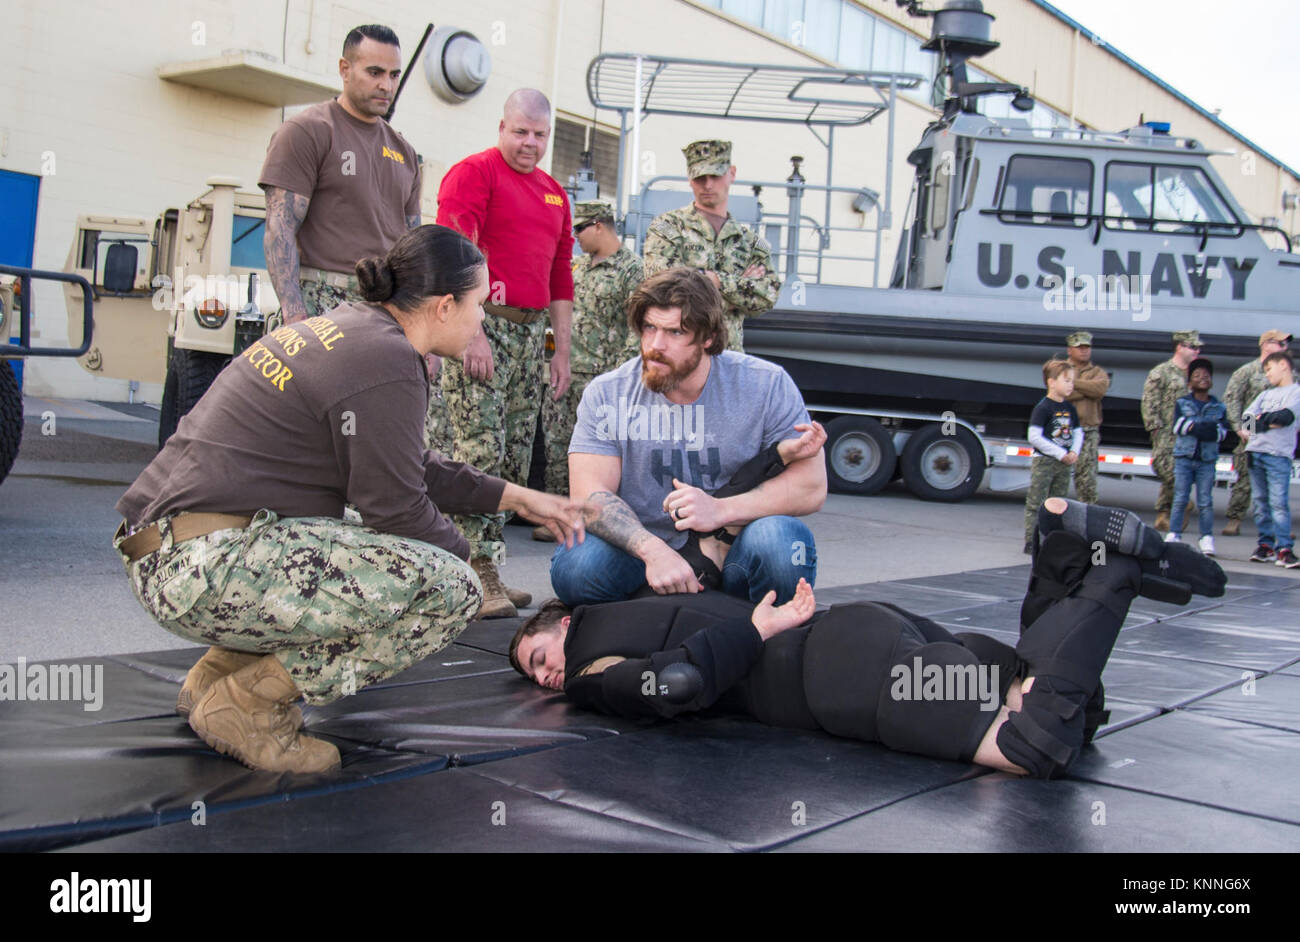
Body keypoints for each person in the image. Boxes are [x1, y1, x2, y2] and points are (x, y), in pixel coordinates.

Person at [112, 225, 585, 774]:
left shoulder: (358, 333)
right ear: (443, 306)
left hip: (171, 551)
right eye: (479, 304)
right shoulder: (388, 362)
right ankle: (251, 705)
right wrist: (467, 561)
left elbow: (409, 466)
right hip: (203, 566)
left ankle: (220, 676)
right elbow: (398, 509)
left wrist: (520, 498)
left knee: (368, 552)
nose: (483, 319)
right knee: (449, 589)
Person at [514, 498, 1226, 780]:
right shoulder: (658, 595)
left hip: (840, 678)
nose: (547, 678)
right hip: (875, 640)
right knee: (1058, 707)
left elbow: (674, 684)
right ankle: (1064, 548)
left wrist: (754, 630)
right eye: (537, 675)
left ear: (567, 622)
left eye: (539, 658)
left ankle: (1114, 571)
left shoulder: (588, 662)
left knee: (1031, 747)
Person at [550, 267, 825, 607]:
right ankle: (655, 613)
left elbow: (810, 487)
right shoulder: (608, 393)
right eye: (649, 327)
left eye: (675, 332)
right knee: (576, 567)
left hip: (732, 548)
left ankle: (757, 634)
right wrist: (652, 551)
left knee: (782, 544)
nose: (655, 345)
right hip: (641, 550)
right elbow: (590, 496)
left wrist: (720, 510)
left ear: (707, 337)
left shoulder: (765, 385)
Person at [258, 24, 452, 453]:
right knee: (313, 447)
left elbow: (413, 248)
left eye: (395, 75)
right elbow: (280, 228)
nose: (386, 85)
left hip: (386, 313)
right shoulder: (307, 132)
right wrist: (295, 318)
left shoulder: (403, 151)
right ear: (345, 69)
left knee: (387, 444)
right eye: (374, 72)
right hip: (322, 306)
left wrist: (426, 334)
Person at [436, 88, 576, 617]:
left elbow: (560, 277)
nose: (530, 143)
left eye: (540, 135)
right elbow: (456, 254)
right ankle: (470, 567)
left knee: (515, 460)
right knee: (480, 450)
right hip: (481, 326)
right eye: (520, 132)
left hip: (528, 334)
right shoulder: (473, 173)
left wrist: (559, 352)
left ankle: (487, 564)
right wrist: (471, 334)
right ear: (501, 127)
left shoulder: (554, 195)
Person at [534, 199, 644, 541]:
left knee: (602, 451)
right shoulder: (576, 268)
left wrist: (623, 376)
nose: (575, 237)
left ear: (599, 225)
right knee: (557, 446)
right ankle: (560, 518)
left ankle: (599, 520)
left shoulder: (631, 269)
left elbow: (637, 327)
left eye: (579, 229)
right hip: (565, 369)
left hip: (604, 377)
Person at [642, 140, 782, 352]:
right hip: (678, 358)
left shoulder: (751, 243)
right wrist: (737, 293)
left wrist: (717, 281)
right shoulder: (667, 228)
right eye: (700, 178)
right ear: (690, 178)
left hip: (729, 360)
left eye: (715, 176)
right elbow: (662, 290)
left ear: (731, 174)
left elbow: (767, 295)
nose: (707, 185)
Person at [1222, 330, 1293, 536]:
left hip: (1278, 437)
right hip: (1252, 435)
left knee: (1277, 487)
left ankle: (1279, 527)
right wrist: (1244, 430)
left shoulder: (1288, 374)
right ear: (1266, 345)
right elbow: (1234, 399)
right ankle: (1235, 518)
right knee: (1244, 479)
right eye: (1280, 344)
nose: (1285, 348)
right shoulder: (1247, 371)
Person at [1240, 350, 1300, 567]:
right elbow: (1246, 423)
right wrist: (1266, 422)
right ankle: (1265, 545)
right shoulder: (1264, 395)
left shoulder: (1295, 393)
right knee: (1260, 502)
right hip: (1256, 453)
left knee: (1278, 502)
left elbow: (1284, 418)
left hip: (1277, 455)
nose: (1267, 375)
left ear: (1283, 365)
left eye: (1269, 369)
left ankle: (1284, 547)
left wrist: (1260, 420)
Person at [1141, 330, 1203, 531]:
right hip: (1167, 432)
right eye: (1193, 347)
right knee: (1165, 468)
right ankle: (1183, 501)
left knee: (1180, 470)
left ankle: (1163, 514)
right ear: (1179, 347)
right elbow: (1149, 401)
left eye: (1198, 348)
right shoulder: (1162, 372)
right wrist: (1154, 427)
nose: (1197, 351)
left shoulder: (1195, 375)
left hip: (1190, 433)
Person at [1167, 358, 1228, 555]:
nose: (1202, 379)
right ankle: (1174, 533)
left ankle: (1206, 537)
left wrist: (1196, 427)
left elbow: (1221, 433)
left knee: (1205, 500)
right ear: (1189, 382)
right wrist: (1203, 427)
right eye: (1197, 375)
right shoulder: (1182, 403)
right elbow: (1179, 427)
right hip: (1184, 458)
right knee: (1180, 498)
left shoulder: (1219, 406)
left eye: (1206, 376)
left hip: (1207, 461)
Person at [1022, 359, 1081, 553]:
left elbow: (1078, 432)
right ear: (1051, 382)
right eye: (1066, 380)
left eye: (1072, 381)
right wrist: (1059, 453)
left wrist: (1074, 452)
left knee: (1059, 503)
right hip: (1045, 461)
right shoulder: (1043, 408)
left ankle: (1053, 541)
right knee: (1037, 501)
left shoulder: (1070, 409)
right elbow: (1034, 436)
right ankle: (1032, 540)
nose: (1071, 385)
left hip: (1064, 463)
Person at [1064, 331, 1109, 504]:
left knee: (1087, 480)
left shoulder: (1098, 372)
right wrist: (1086, 391)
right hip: (1062, 430)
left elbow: (1099, 391)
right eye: (1079, 347)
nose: (1084, 351)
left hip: (1088, 431)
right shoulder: (1060, 369)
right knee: (1056, 476)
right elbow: (1060, 393)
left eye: (1087, 347)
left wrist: (1072, 383)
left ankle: (1087, 514)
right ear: (1070, 350)